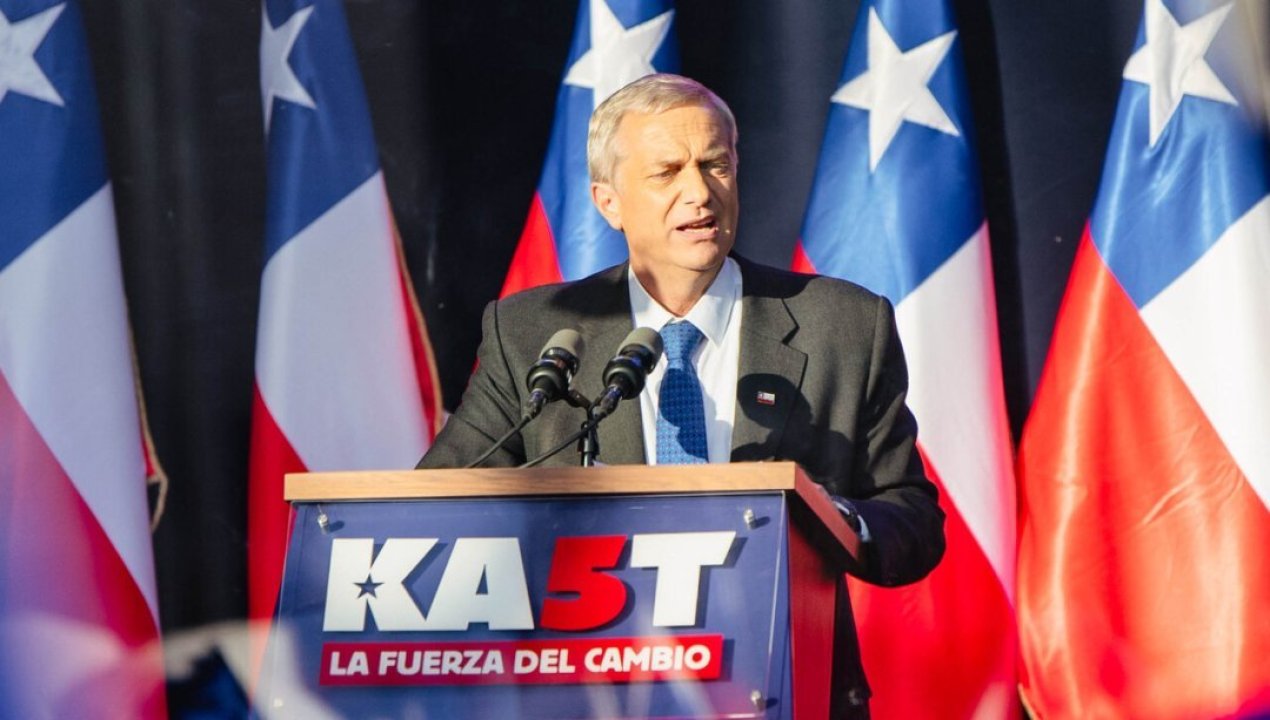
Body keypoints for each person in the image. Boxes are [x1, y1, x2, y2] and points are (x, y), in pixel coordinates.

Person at [419, 73, 945, 717]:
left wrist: (827, 517)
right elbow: (437, 506)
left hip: (783, 688)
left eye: (715, 164)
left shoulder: (843, 324)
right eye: (667, 172)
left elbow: (912, 518)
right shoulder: (532, 331)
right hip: (587, 694)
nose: (699, 192)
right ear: (608, 203)